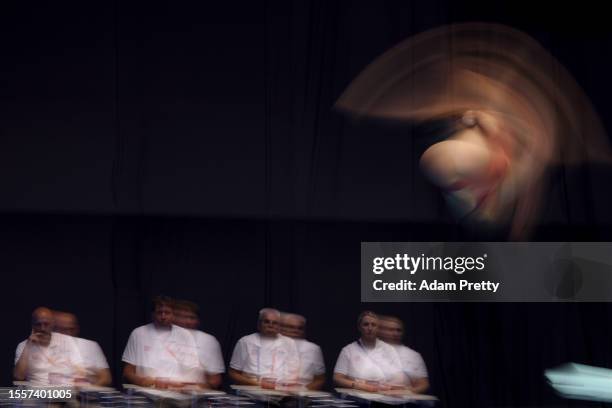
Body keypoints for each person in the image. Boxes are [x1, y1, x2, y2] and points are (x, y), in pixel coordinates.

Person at [122, 295, 202, 389]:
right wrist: (141, 381)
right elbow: (127, 372)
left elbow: (193, 372)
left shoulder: (185, 335)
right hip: (145, 391)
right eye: (159, 312)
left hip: (175, 393)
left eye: (167, 313)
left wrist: (173, 383)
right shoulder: (138, 333)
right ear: (153, 314)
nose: (163, 316)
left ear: (174, 314)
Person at [333, 311, 404, 392]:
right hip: (356, 394)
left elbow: (399, 377)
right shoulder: (348, 350)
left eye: (373, 325)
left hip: (382, 394)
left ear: (378, 328)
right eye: (366, 324)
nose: (370, 328)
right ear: (359, 327)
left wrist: (389, 386)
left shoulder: (389, 349)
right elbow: (337, 378)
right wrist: (359, 385)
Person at [229, 308, 299, 388]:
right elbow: (233, 373)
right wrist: (258, 384)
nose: (270, 325)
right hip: (250, 391)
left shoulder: (289, 343)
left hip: (280, 393)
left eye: (275, 323)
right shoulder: (245, 342)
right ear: (259, 324)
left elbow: (294, 373)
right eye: (266, 321)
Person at [14, 307, 83, 386]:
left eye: (46, 324)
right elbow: (19, 376)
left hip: (64, 392)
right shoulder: (23, 345)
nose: (42, 328)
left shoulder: (67, 342)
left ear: (52, 324)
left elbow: (80, 371)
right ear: (33, 325)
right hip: (36, 393)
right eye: (38, 324)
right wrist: (29, 345)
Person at [173, 299, 224, 389]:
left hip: (195, 396)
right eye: (182, 317)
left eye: (192, 318)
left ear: (198, 321)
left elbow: (215, 380)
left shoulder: (209, 341)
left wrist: (193, 388)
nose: (187, 322)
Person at [53, 311, 112, 386]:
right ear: (54, 330)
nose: (68, 333)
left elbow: (106, 378)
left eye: (71, 329)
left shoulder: (91, 346)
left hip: (86, 394)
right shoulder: (46, 348)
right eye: (63, 329)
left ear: (77, 329)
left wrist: (87, 392)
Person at [378, 316, 429, 394]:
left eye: (398, 330)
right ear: (381, 331)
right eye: (390, 329)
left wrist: (406, 392)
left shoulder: (413, 356)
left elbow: (423, 384)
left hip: (402, 401)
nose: (395, 333)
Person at [280, 313, 325, 390]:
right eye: (291, 327)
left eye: (300, 328)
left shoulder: (313, 349)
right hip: (271, 393)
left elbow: (319, 380)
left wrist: (303, 391)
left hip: (302, 395)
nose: (295, 330)